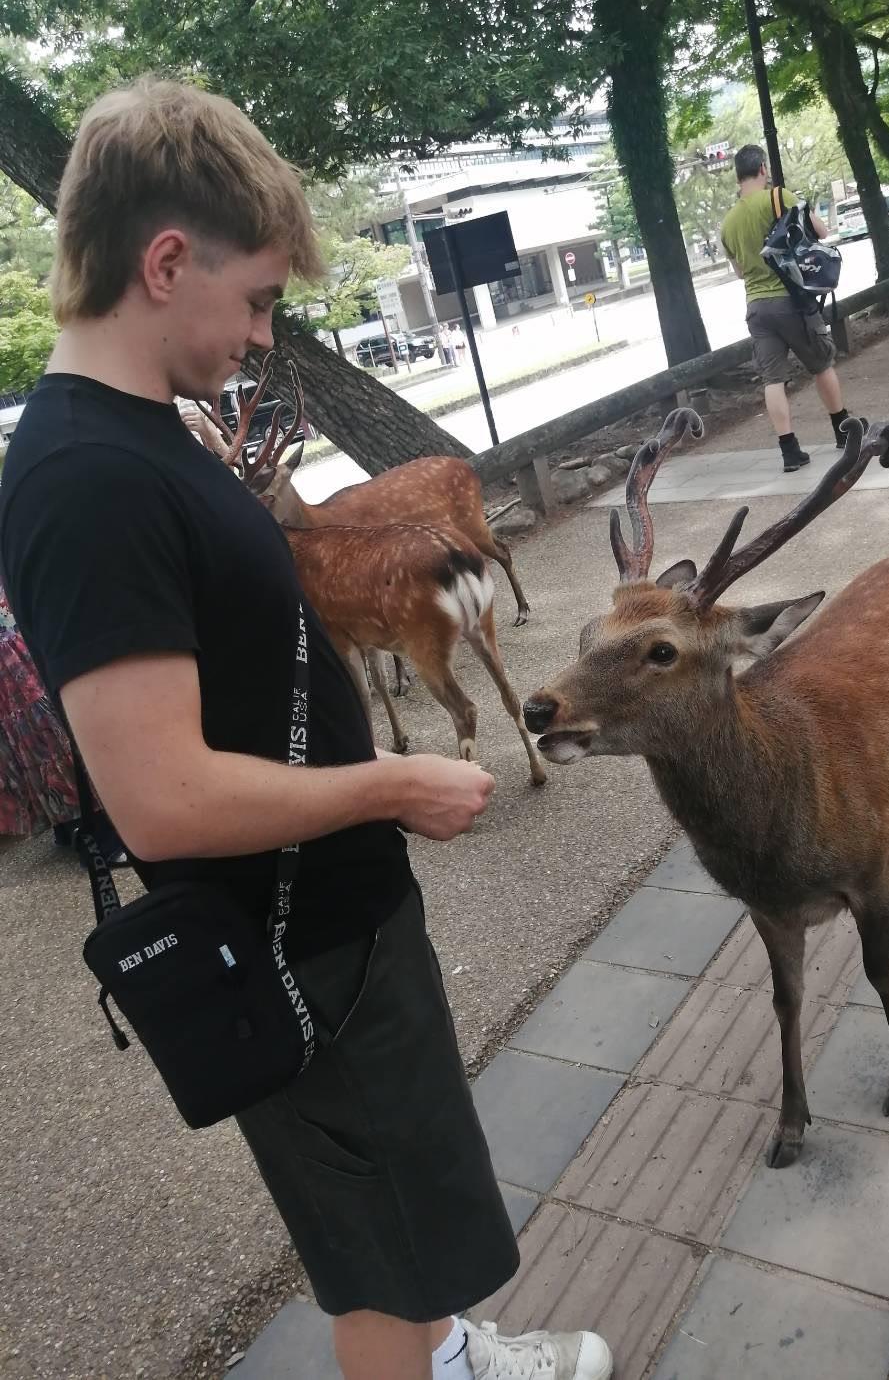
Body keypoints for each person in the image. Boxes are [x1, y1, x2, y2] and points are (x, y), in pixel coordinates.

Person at [0, 78, 611, 1380]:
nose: (264, 337)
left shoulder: (141, 437)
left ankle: (448, 1351)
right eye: (260, 299)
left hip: (334, 927)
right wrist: (389, 781)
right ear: (167, 261)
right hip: (296, 948)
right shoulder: (84, 482)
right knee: (376, 1257)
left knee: (406, 1229)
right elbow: (159, 797)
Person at [719, 144, 858, 473]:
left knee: (772, 379)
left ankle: (790, 451)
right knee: (821, 363)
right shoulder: (780, 198)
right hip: (791, 300)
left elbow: (740, 271)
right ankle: (843, 430)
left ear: (738, 176)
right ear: (763, 169)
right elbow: (821, 232)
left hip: (756, 306)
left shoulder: (728, 223)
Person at [0, 580, 126, 864]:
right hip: (15, 656)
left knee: (34, 745)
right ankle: (101, 841)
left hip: (12, 654)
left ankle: (67, 826)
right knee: (56, 739)